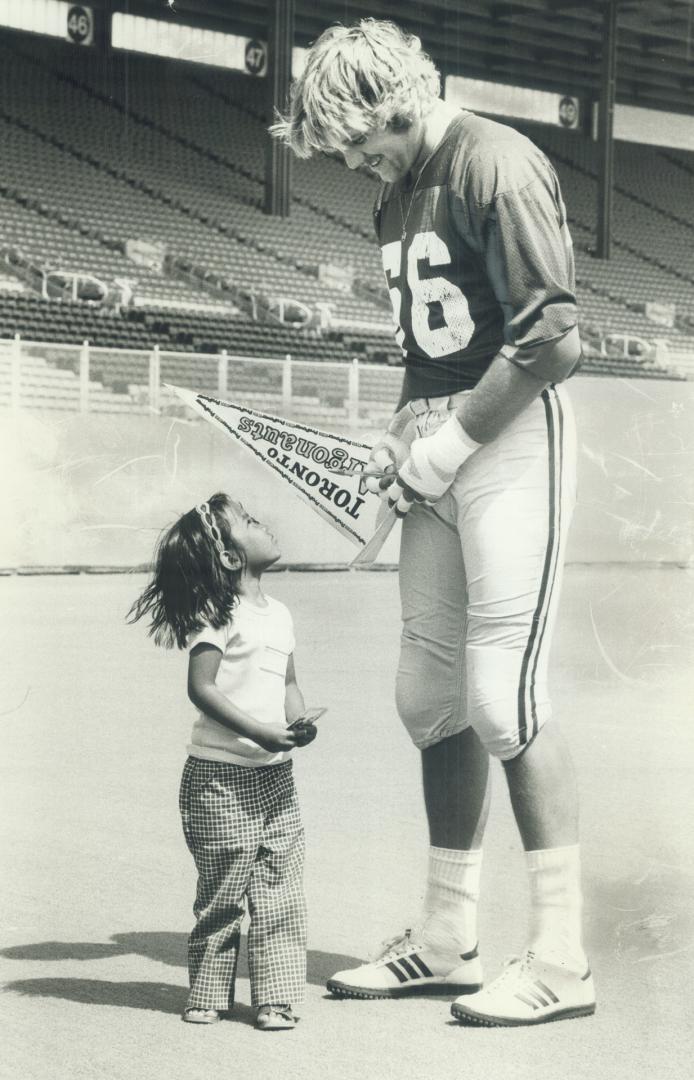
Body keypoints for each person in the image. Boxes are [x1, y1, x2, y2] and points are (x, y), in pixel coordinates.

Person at [271, 18, 595, 1027]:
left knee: (502, 694)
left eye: (360, 140)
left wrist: (446, 448)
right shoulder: (402, 187)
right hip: (445, 442)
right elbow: (436, 347)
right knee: (427, 693)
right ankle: (448, 938)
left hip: (509, 447)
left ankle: (561, 957)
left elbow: (552, 338)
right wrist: (401, 437)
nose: (356, 162)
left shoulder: (494, 160)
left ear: (395, 99)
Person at [128, 493, 317, 1031]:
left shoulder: (279, 614)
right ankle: (209, 992)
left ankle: (276, 998)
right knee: (224, 894)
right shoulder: (218, 614)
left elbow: (289, 683)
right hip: (218, 780)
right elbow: (202, 688)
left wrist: (299, 722)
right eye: (251, 521)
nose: (266, 523)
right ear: (232, 558)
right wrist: (260, 731)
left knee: (281, 888)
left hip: (275, 778)